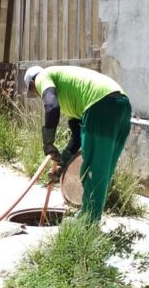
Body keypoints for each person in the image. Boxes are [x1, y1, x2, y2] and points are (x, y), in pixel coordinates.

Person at [23, 65, 132, 222]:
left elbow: (52, 107)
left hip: (100, 105)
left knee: (91, 171)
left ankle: (86, 223)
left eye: (34, 91)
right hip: (122, 106)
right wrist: (62, 164)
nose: (38, 94)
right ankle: (90, 221)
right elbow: (77, 137)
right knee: (102, 171)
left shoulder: (42, 76)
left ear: (33, 83)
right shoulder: (72, 97)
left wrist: (48, 143)